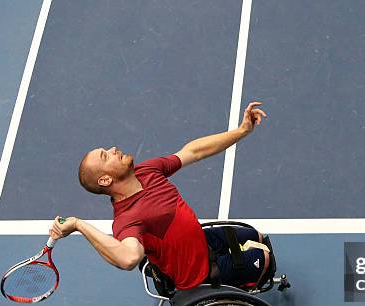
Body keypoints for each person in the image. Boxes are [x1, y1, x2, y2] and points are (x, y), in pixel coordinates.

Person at [49, 102, 270, 291]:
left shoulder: (147, 171)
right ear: (105, 180)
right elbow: (128, 259)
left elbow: (193, 151)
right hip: (197, 272)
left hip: (200, 244)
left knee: (258, 236)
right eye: (106, 155)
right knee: (266, 259)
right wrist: (79, 225)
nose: (114, 148)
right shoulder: (127, 219)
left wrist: (242, 131)